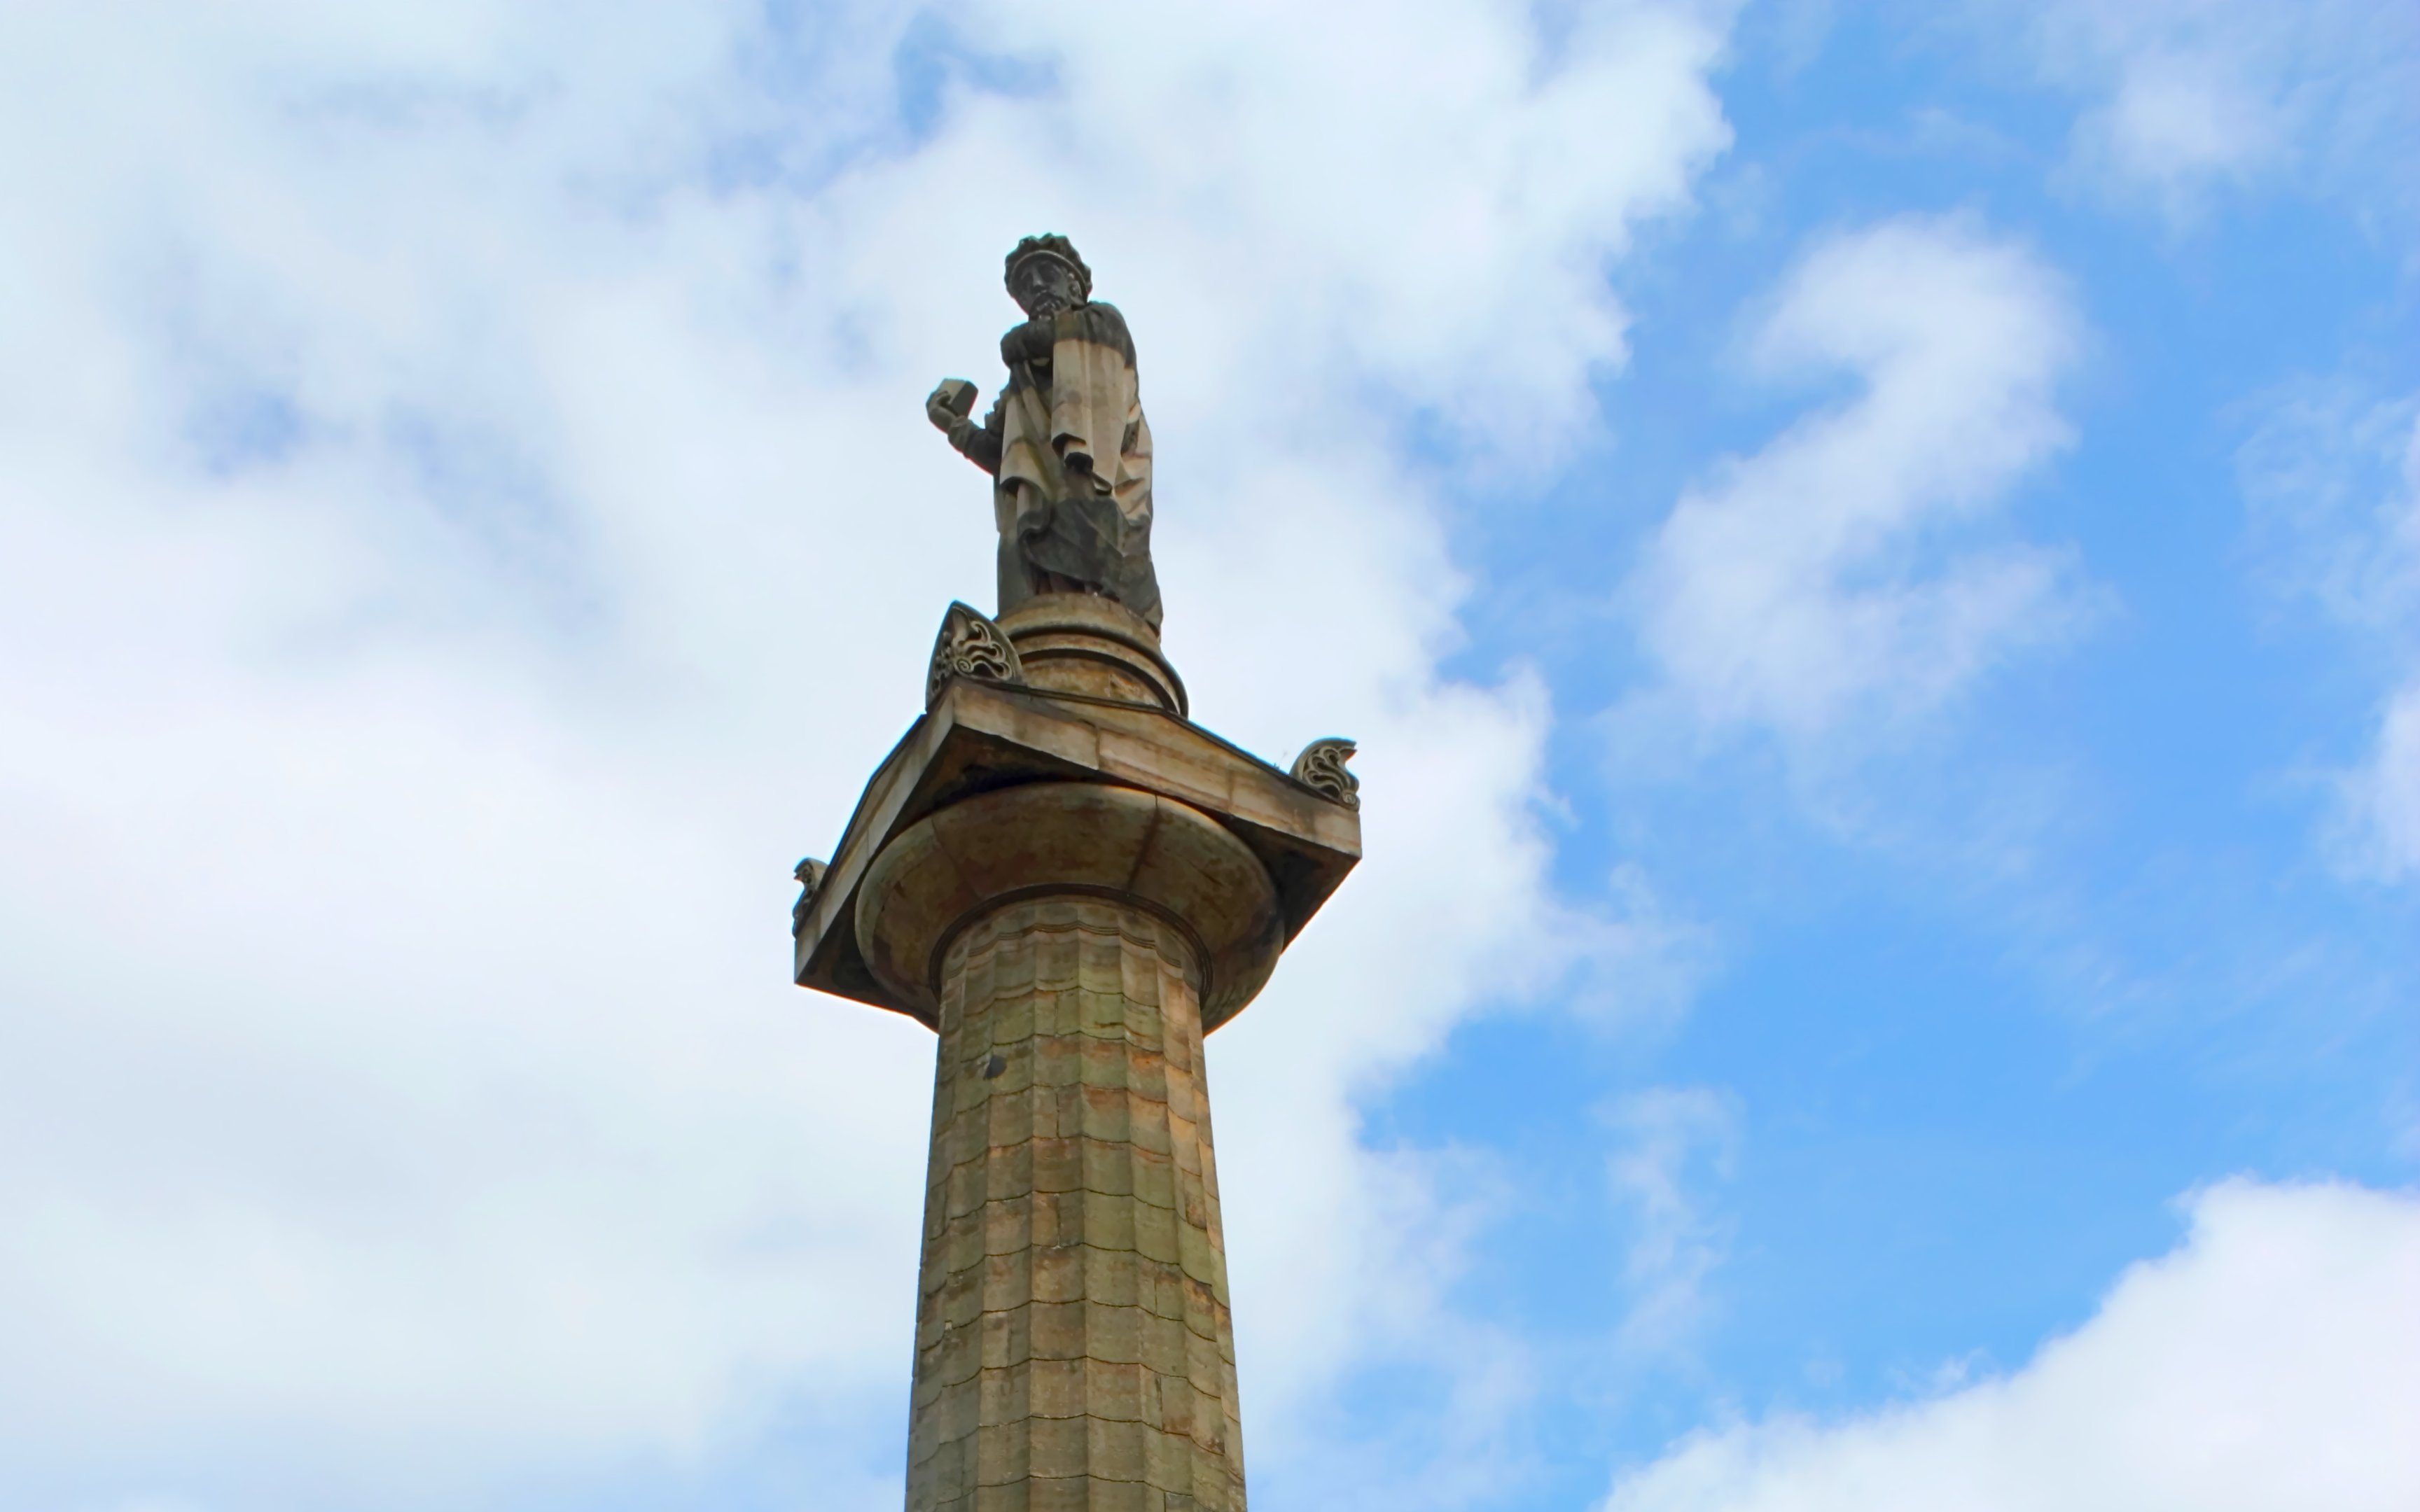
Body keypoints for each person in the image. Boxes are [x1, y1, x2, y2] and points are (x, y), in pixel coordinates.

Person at [926, 234, 1162, 629]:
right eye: (1024, 284)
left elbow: (1058, 341)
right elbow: (1003, 454)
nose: (1035, 286)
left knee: (1102, 565)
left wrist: (1018, 342)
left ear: (1074, 284)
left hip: (1099, 497)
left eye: (1045, 273)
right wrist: (954, 426)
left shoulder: (1100, 324)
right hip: (1036, 516)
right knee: (1021, 564)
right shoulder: (1023, 379)